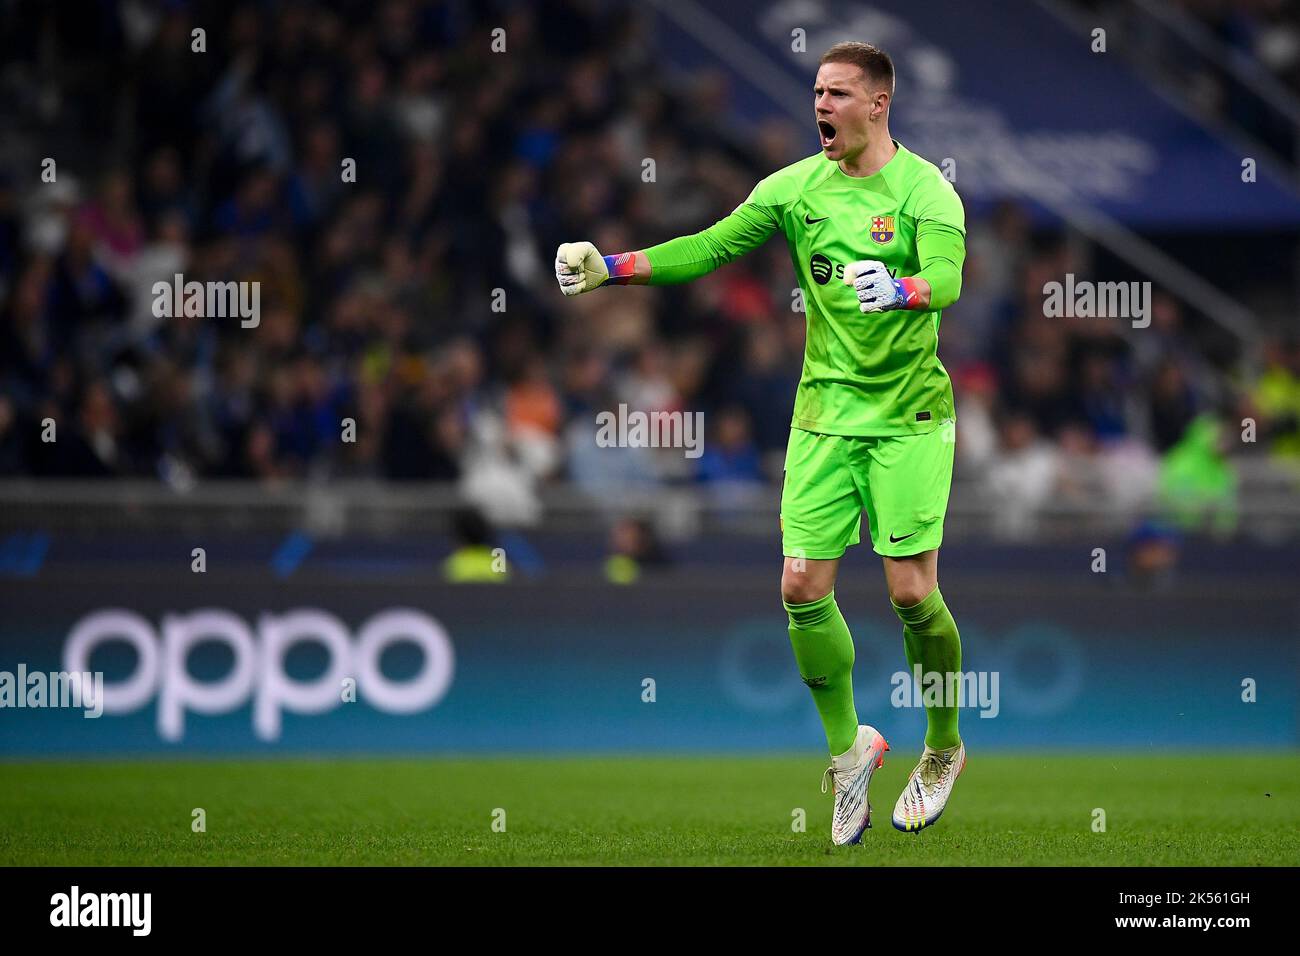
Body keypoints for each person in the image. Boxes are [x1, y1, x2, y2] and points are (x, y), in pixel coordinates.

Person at [555, 41, 966, 845]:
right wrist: (611, 265)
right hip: (821, 417)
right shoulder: (792, 189)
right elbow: (707, 248)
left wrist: (906, 288)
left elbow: (948, 275)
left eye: (839, 93)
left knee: (912, 594)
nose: (821, 105)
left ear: (878, 104)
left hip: (910, 417)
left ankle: (945, 746)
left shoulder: (926, 191)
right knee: (800, 587)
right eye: (816, 91)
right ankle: (851, 755)